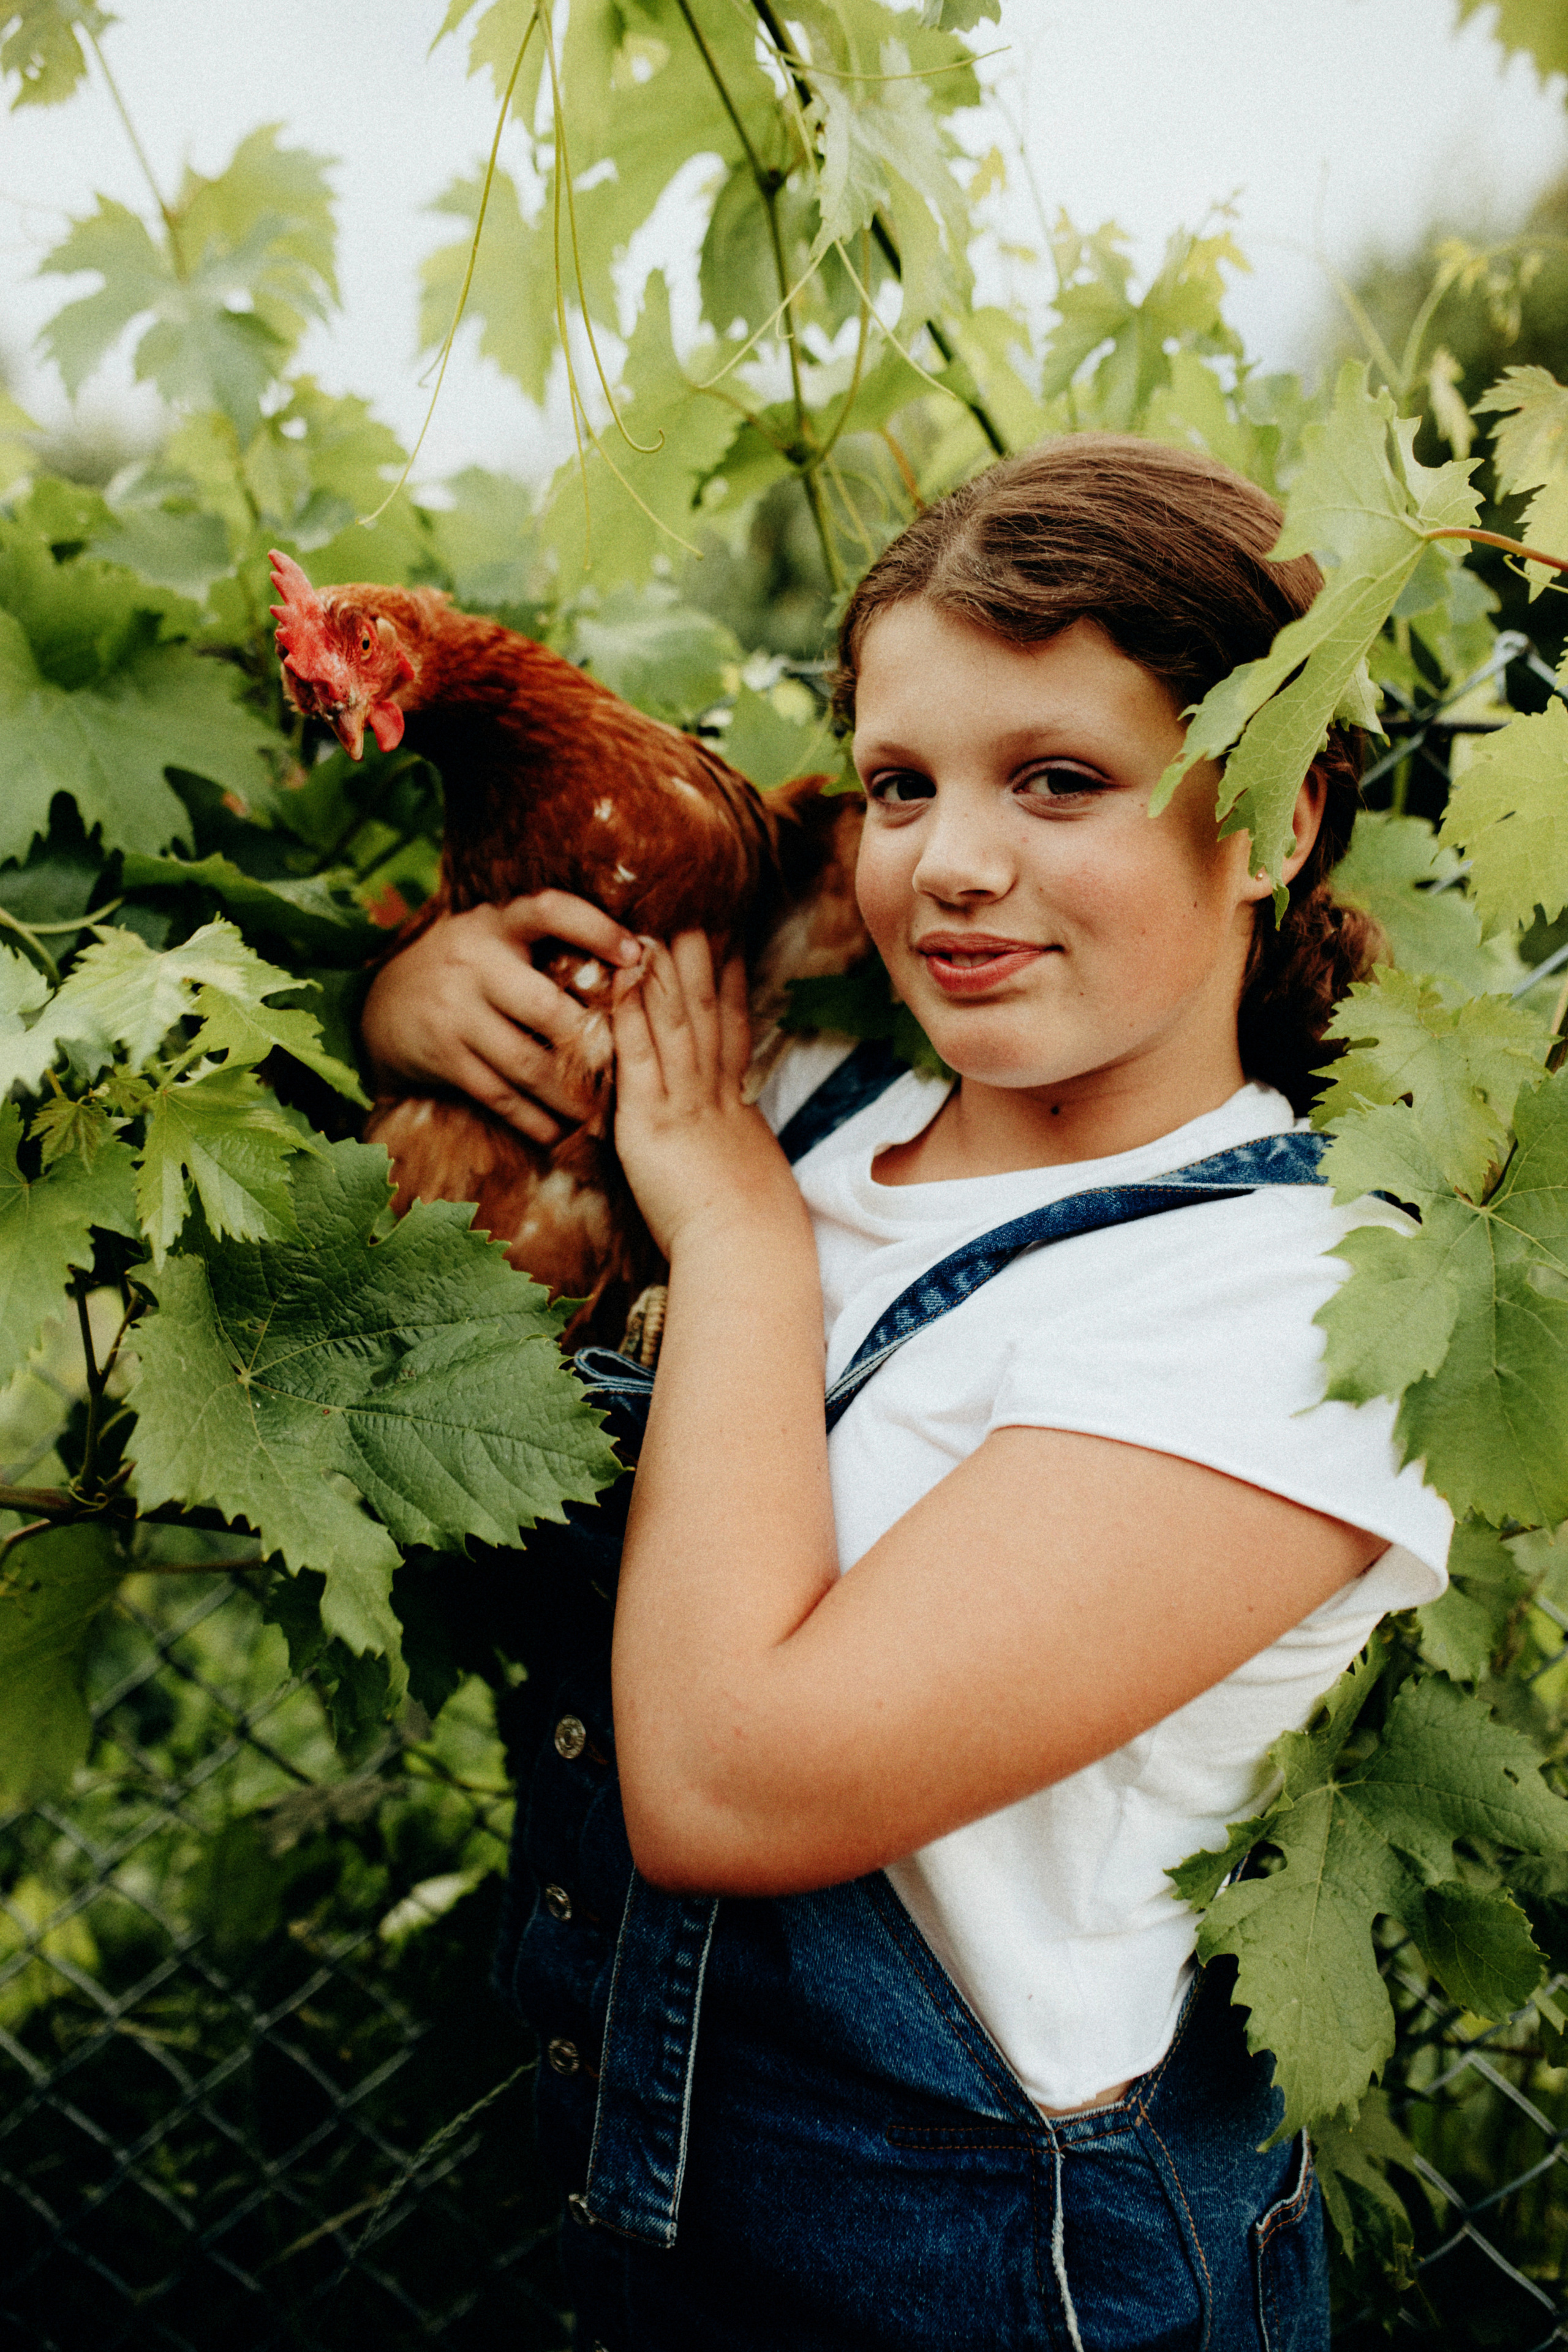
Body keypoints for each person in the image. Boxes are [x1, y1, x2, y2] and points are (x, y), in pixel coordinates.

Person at [361, 436, 1452, 2351]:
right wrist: (423, 1005)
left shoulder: (1293, 1313)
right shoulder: (814, 1097)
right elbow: (441, 1201)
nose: (949, 860)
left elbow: (721, 1782)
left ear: (1273, 813)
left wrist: (743, 1244)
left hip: (992, 2272)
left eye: (1059, 780)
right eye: (899, 783)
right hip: (643, 2198)